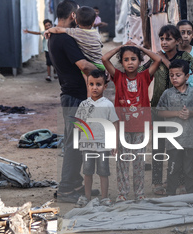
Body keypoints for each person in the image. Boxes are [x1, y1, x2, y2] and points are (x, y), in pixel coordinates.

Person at [48, 0, 97, 203]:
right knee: (74, 144)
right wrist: (104, 73)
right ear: (72, 16)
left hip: (71, 94)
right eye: (77, 14)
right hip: (74, 96)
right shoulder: (65, 39)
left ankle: (75, 183)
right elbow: (84, 65)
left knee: (76, 141)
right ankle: (66, 189)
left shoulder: (56, 36)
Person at [102, 42, 162, 201]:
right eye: (126, 59)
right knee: (122, 162)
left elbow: (157, 60)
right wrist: (120, 47)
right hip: (122, 127)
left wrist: (141, 48)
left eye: (133, 59)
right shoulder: (118, 77)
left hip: (141, 127)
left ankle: (140, 193)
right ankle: (122, 193)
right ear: (121, 62)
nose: (130, 62)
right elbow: (104, 59)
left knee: (139, 163)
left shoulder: (145, 77)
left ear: (139, 61)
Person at [149, 25, 193, 196]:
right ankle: (156, 182)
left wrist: (163, 60)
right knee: (158, 146)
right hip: (158, 108)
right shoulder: (156, 57)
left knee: (179, 146)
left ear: (177, 41)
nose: (164, 42)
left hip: (180, 110)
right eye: (161, 38)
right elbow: (145, 75)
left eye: (168, 39)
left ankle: (180, 182)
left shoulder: (185, 57)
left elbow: (188, 70)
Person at [157, 60, 193, 195]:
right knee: (173, 169)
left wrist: (190, 113)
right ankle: (170, 196)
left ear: (187, 76)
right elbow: (159, 111)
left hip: (191, 139)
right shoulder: (167, 93)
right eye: (172, 75)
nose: (174, 78)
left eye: (178, 75)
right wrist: (177, 113)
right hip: (173, 139)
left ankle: (192, 197)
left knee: (190, 169)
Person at [74, 69, 118, 207]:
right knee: (87, 171)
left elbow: (114, 124)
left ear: (105, 86)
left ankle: (104, 198)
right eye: (91, 84)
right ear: (87, 85)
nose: (94, 87)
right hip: (87, 145)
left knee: (103, 171)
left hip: (103, 145)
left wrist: (115, 143)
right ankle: (87, 197)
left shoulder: (108, 105)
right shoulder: (83, 105)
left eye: (98, 84)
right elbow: (77, 124)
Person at [44, 6, 104, 71]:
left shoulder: (75, 32)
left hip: (90, 64)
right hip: (100, 64)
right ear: (93, 23)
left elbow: (58, 30)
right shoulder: (96, 33)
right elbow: (100, 45)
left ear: (76, 21)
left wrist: (49, 30)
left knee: (85, 75)